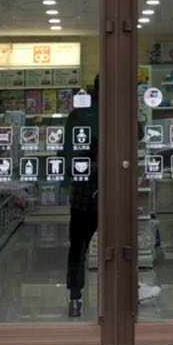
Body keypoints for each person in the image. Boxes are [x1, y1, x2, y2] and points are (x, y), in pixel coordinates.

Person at [65, 76, 100, 318]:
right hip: (113, 189)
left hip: (82, 191)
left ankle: (75, 298)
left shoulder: (78, 114)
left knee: (78, 246)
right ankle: (127, 293)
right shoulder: (120, 110)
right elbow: (138, 134)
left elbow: (66, 154)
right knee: (120, 243)